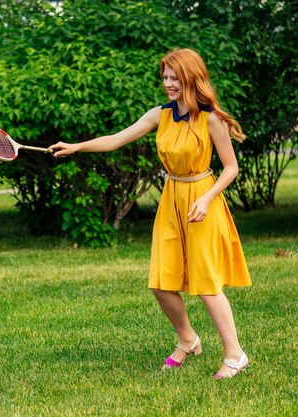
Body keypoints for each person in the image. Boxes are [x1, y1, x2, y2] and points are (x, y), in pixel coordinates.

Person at [49, 48, 252, 380]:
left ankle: (235, 354)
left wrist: (206, 198)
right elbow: (117, 139)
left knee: (206, 283)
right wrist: (76, 147)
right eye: (165, 77)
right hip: (172, 200)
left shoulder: (210, 118)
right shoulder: (160, 114)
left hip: (202, 199)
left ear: (190, 77)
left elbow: (231, 168)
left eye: (174, 78)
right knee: (161, 282)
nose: (167, 84)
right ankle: (188, 340)